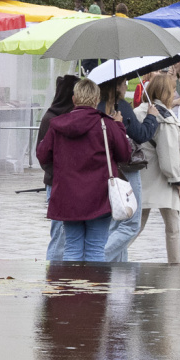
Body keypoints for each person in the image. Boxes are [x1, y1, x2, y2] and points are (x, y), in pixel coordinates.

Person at [35, 77, 131, 262]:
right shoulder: (107, 125)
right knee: (96, 249)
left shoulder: (57, 125)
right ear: (96, 101)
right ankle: (93, 291)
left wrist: (61, 170)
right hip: (99, 197)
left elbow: (42, 155)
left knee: (72, 247)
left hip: (68, 197)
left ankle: (72, 290)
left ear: (74, 99)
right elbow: (125, 155)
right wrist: (118, 125)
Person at [129, 71, 180, 263]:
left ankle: (112, 256)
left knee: (135, 226)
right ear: (165, 92)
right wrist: (178, 181)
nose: (174, 94)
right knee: (173, 228)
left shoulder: (137, 111)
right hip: (164, 178)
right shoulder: (166, 117)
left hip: (141, 176)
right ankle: (175, 265)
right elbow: (169, 154)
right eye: (172, 90)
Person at [101, 76, 159, 263]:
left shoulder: (98, 106)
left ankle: (119, 272)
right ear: (116, 85)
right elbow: (141, 134)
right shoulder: (121, 107)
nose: (127, 85)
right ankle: (98, 260)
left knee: (115, 223)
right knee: (131, 222)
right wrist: (152, 117)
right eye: (124, 82)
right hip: (126, 168)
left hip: (104, 168)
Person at [36, 73, 79, 262]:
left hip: (70, 184)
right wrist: (61, 173)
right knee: (59, 235)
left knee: (67, 236)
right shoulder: (51, 119)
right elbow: (42, 155)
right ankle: (54, 274)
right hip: (56, 184)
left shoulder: (74, 117)